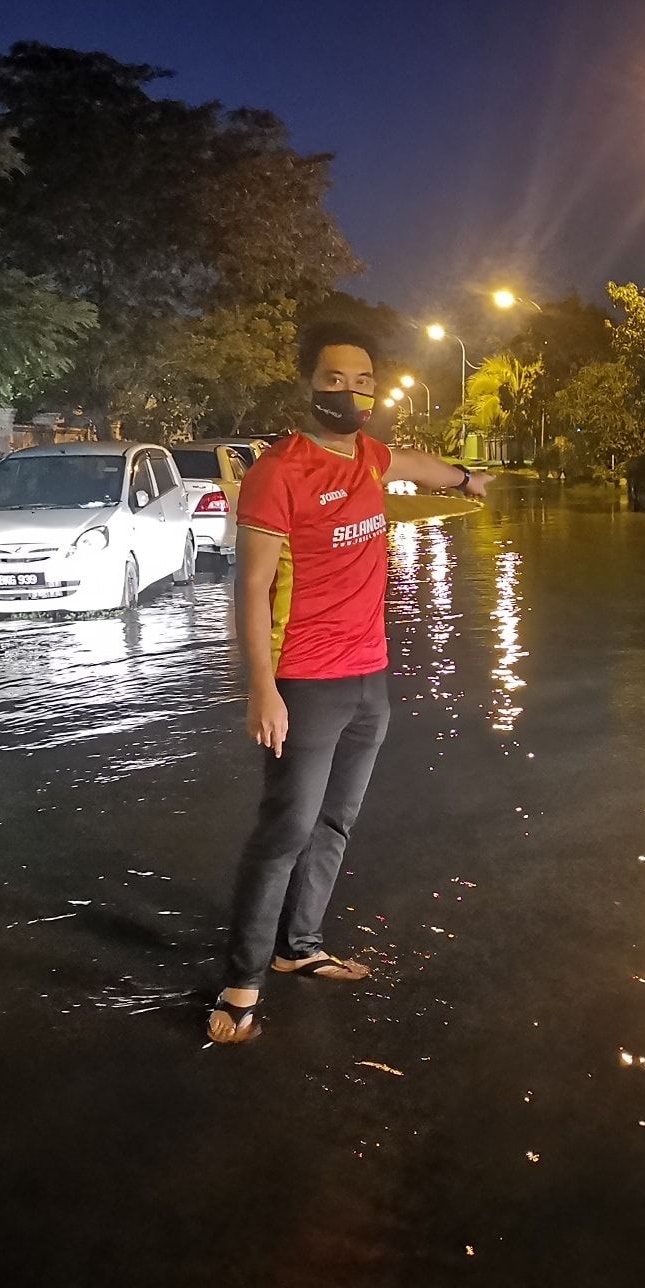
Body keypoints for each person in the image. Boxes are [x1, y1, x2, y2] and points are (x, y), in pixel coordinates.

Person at [208, 321, 492, 1044]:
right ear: (309, 384)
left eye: (363, 381)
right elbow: (251, 588)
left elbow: (416, 463)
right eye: (335, 379)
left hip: (369, 679)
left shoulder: (368, 457)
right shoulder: (280, 472)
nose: (351, 392)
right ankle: (242, 984)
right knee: (285, 830)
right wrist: (261, 688)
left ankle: (299, 947)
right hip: (304, 682)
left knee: (335, 822)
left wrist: (466, 479)